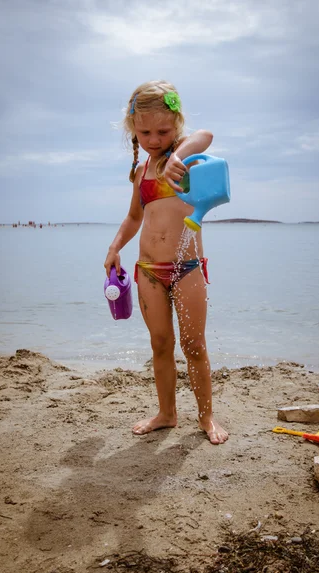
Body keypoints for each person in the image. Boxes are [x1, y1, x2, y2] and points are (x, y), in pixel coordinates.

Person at [104, 80, 228, 445]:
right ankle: (167, 413)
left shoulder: (186, 162)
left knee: (194, 345)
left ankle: (206, 417)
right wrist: (114, 248)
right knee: (161, 343)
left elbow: (206, 135)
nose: (154, 139)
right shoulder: (141, 174)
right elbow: (132, 219)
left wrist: (178, 154)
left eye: (163, 130)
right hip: (148, 272)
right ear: (133, 130)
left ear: (177, 124)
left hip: (187, 268)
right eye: (144, 132)